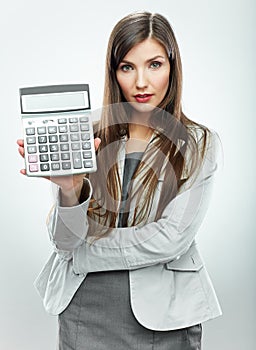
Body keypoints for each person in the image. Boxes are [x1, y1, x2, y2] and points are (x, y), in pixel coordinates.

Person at [17, 11, 222, 350]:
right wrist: (69, 189)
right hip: (84, 309)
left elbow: (169, 240)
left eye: (154, 64)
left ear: (173, 66)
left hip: (162, 316)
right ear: (114, 73)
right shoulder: (86, 131)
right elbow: (65, 243)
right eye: (127, 67)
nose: (141, 82)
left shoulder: (198, 143)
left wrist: (84, 255)